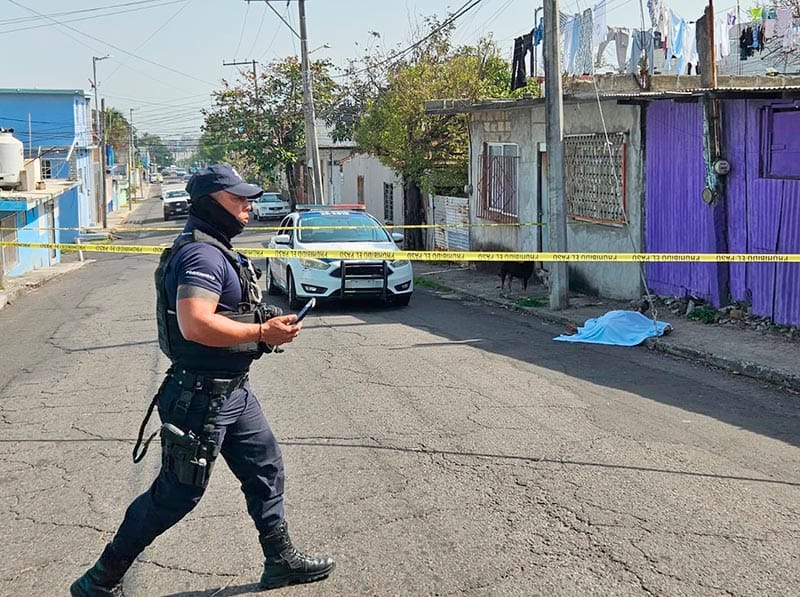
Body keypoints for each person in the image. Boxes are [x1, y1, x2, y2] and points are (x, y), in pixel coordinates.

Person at [71, 164, 335, 596]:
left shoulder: (218, 248)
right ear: (210, 203)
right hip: (199, 397)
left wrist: (263, 324)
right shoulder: (201, 254)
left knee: (265, 468)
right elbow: (195, 324)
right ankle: (100, 580)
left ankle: (280, 560)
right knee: (175, 495)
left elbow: (224, 315)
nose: (248, 206)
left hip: (233, 392)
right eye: (238, 199)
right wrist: (261, 333)